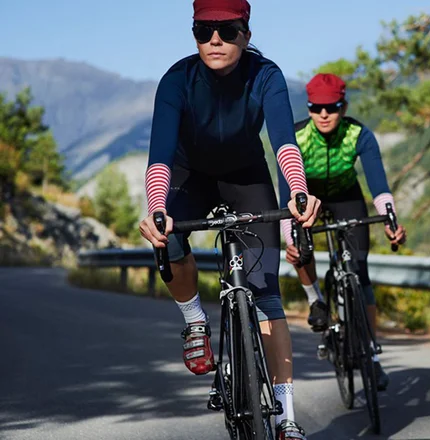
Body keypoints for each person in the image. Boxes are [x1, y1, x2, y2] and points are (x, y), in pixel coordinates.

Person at [138, 1, 321, 438]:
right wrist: (157, 209)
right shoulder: (177, 79)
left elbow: (284, 143)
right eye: (204, 30)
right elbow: (159, 156)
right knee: (171, 240)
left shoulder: (266, 76)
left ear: (247, 34)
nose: (215, 39)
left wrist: (298, 191)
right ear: (195, 33)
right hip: (189, 175)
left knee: (266, 295)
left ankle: (287, 415)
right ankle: (195, 321)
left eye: (228, 29)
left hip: (245, 177)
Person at [278, 73, 406, 392]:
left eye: (332, 108)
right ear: (308, 109)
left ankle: (372, 355)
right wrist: (289, 241)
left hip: (347, 197)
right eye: (316, 108)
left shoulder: (358, 134)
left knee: (360, 274)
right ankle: (316, 301)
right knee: (300, 250)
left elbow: (378, 185)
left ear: (343, 106)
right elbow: (285, 197)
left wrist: (390, 220)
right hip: (307, 197)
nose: (323, 114)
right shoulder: (297, 138)